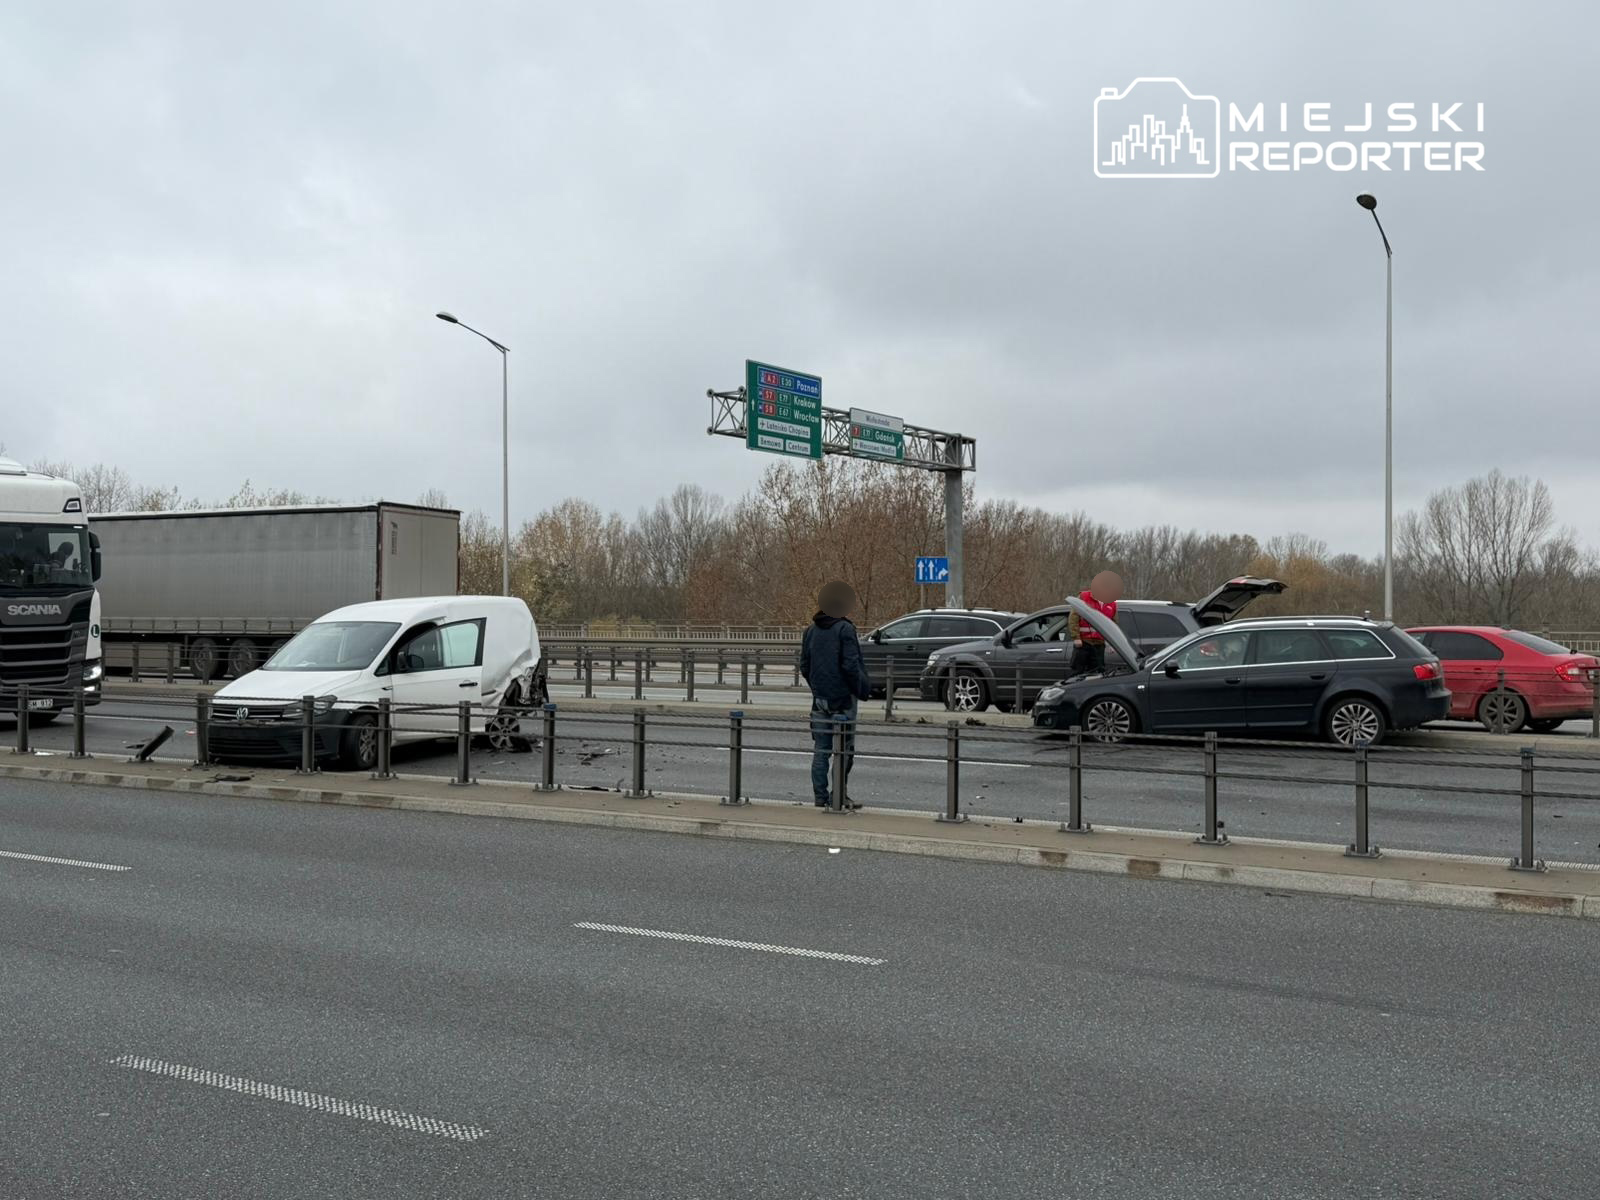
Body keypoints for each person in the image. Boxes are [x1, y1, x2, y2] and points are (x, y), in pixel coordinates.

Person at [799, 580, 872, 809]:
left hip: (820, 699)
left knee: (821, 750)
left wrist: (817, 687)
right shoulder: (845, 629)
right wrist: (861, 688)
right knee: (844, 749)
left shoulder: (810, 630)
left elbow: (804, 665)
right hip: (843, 699)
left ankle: (820, 797)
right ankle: (839, 795)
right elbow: (851, 665)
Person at [1066, 570, 1123, 674]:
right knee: (1077, 672)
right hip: (1083, 643)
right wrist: (1076, 638)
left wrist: (1112, 643)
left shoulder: (1112, 604)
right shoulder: (1084, 597)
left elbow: (1113, 625)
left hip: (1099, 645)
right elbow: (1073, 617)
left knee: (1097, 673)